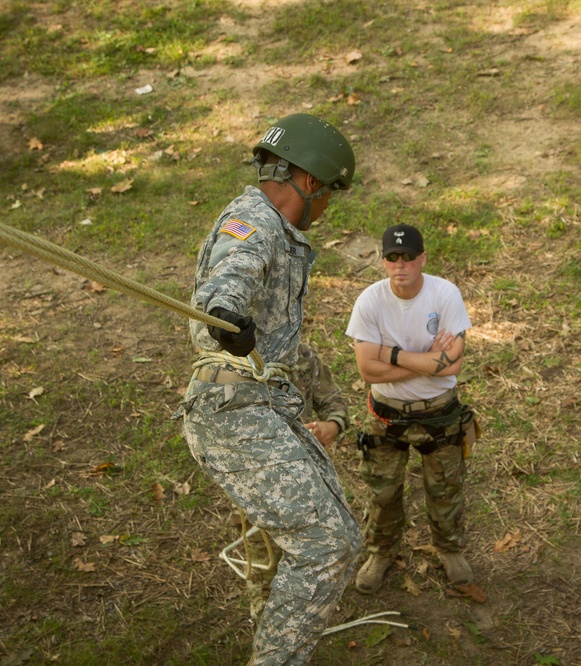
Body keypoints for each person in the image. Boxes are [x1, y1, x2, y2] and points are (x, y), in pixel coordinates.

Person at [176, 113, 362, 665]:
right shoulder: (253, 220)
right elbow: (229, 277)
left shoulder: (278, 232)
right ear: (309, 182)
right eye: (330, 195)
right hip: (234, 409)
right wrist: (224, 312)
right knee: (327, 544)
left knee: (337, 533)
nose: (327, 209)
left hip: (263, 406)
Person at [345, 223, 479, 594]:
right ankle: (382, 552)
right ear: (383, 261)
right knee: (383, 493)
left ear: (423, 258)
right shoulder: (370, 301)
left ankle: (449, 549)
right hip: (387, 414)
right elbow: (367, 369)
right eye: (391, 257)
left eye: (407, 257)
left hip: (439, 412)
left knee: (446, 487)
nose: (399, 264)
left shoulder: (445, 294)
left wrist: (391, 354)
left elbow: (452, 365)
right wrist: (425, 359)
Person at [239, 342, 350, 620]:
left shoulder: (302, 356)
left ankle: (306, 612)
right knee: (266, 562)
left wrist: (332, 425)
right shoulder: (231, 364)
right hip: (256, 485)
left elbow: (334, 402)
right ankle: (266, 623)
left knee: (313, 551)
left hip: (306, 479)